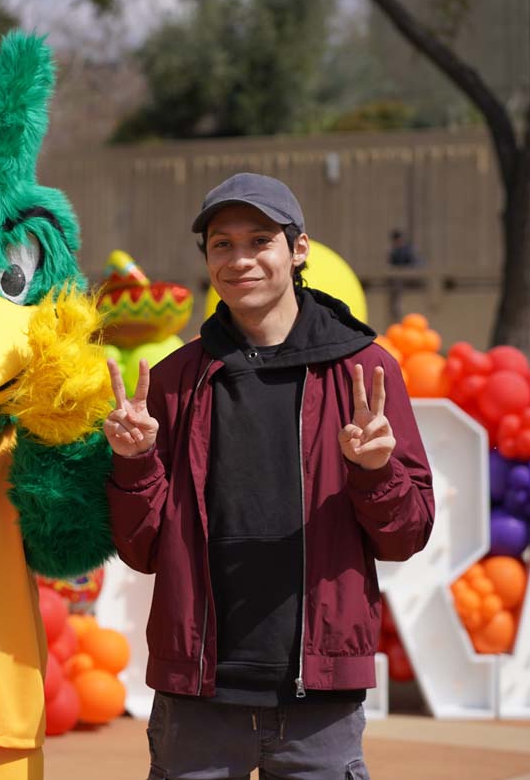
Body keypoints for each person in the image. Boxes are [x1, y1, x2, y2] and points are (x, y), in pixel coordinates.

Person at [103, 173, 434, 780]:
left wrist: (375, 470)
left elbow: (406, 535)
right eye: (222, 244)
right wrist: (135, 462)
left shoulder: (365, 371)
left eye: (260, 240)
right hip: (197, 695)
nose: (240, 259)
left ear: (297, 248)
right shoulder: (177, 379)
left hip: (319, 700)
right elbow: (141, 549)